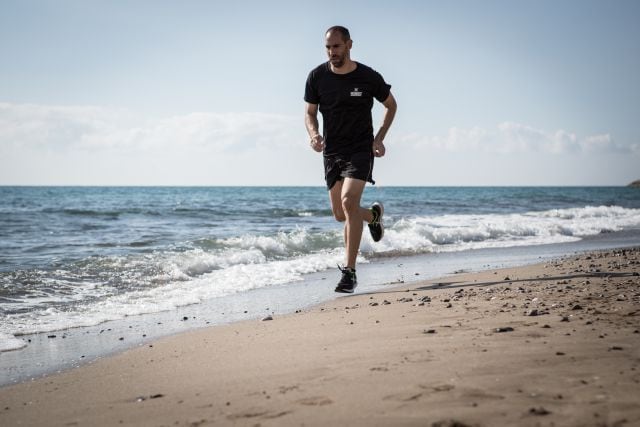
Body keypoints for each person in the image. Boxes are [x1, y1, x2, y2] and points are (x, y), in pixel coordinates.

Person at [304, 25, 397, 293]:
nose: (332, 52)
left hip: (360, 149)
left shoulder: (368, 77)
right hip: (332, 152)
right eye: (328, 47)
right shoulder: (316, 77)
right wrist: (313, 135)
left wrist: (379, 137)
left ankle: (350, 272)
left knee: (348, 202)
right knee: (339, 214)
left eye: (336, 46)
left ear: (349, 45)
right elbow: (310, 112)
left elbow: (391, 105)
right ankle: (374, 216)